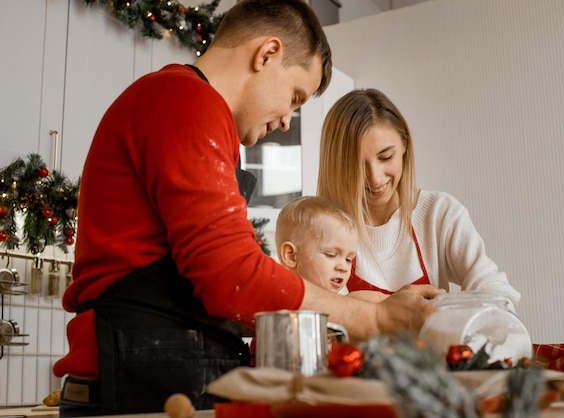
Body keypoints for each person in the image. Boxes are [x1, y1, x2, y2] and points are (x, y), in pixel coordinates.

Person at [54, 2, 440, 417]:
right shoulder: (185, 100)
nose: (288, 120)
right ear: (267, 54)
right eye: (295, 96)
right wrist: (375, 322)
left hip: (153, 373)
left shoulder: (193, 110)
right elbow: (231, 277)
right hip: (132, 384)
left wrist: (367, 309)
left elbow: (209, 282)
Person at [317, 88, 521, 308]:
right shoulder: (321, 229)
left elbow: (494, 289)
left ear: (404, 145)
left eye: (386, 157)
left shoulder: (439, 213)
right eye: (357, 165)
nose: (375, 178)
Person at [275, 195, 386, 302]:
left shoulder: (345, 298)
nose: (344, 268)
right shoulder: (278, 299)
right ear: (292, 256)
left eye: (348, 259)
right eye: (331, 254)